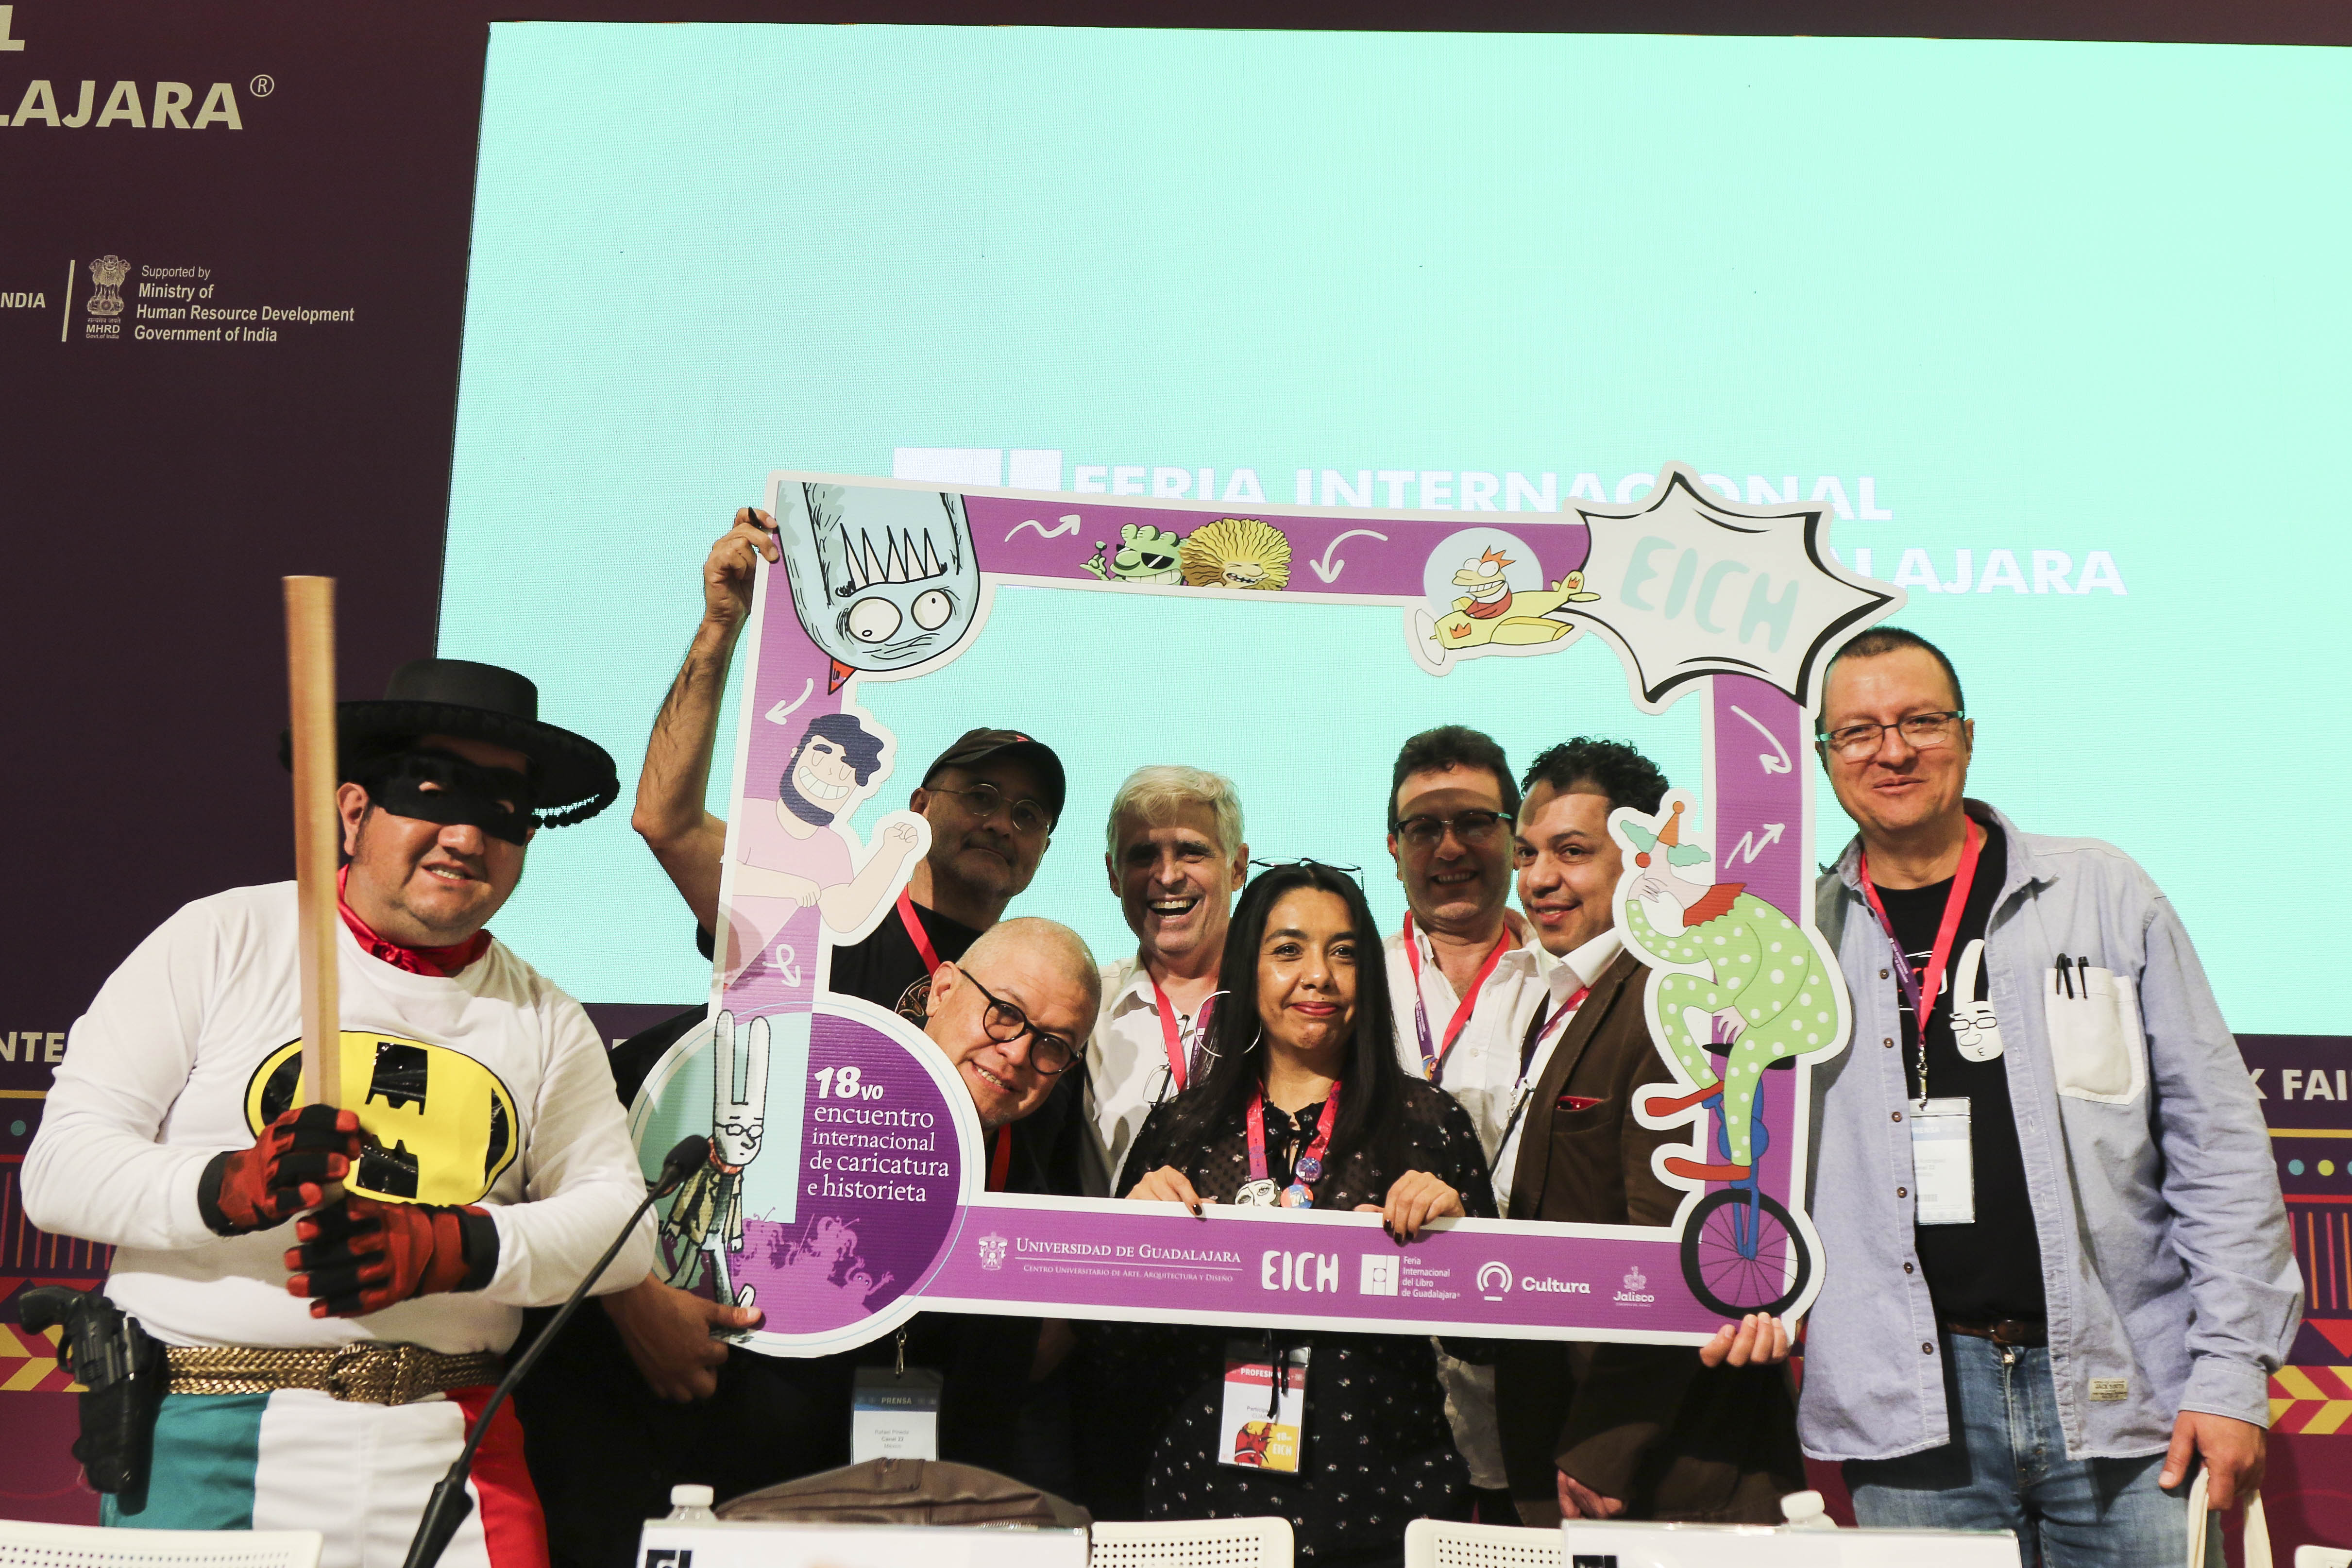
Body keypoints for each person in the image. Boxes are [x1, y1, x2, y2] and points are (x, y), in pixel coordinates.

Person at [24, 658, 653, 1568]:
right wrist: (224, 1187)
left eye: (501, 810)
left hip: (457, 1446)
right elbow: (60, 1172)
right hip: (211, 1433)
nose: (465, 835)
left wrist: (451, 1246)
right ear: (354, 812)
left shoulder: (547, 1018)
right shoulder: (222, 939)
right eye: (433, 793)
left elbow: (620, 1230)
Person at [1804, 626, 2298, 1561]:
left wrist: (2230, 1373)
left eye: (1920, 720)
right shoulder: (1799, 934)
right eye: (1858, 731)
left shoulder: (2099, 893)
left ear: (1968, 733)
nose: (1892, 750)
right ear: (1825, 756)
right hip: (1908, 1406)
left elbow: (2218, 1143)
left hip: (2127, 1388)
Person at [517, 915, 1101, 1568]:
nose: (1018, 1052)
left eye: (1054, 1044)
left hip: (839, 1526)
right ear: (942, 990)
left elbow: (987, 1408)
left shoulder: (1023, 1185)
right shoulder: (805, 1049)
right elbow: (553, 1160)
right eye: (1004, 1014)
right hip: (653, 1483)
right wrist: (632, 1295)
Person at [1111, 862, 1493, 1568]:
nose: (1318, 975)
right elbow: (1113, 1348)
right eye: (1287, 949)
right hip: (1200, 1510)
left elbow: (1487, 1342)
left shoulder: (1427, 1123)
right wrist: (1129, 1244)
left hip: (1383, 1512)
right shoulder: (1179, 1129)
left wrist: (1455, 1239)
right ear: (1245, 967)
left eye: (1343, 952)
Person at [1491, 739, 1801, 1527]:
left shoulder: (1674, 998)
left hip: (1668, 1471)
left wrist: (1605, 1450)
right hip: (1570, 1440)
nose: (1537, 878)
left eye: (1570, 851)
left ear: (1640, 861)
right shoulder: (1557, 993)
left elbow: (1675, 1247)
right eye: (1525, 852)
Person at [633, 507, 1070, 1022]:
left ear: (1044, 848)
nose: (1000, 823)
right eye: (980, 796)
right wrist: (720, 626)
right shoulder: (817, 909)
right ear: (920, 806)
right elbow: (668, 824)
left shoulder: (1030, 1004)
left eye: (1027, 814)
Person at [1380, 725, 1551, 1512]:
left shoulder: (1571, 979)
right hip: (1385, 1385)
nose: (1448, 846)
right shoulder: (1348, 984)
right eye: (1424, 827)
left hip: (1541, 1368)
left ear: (1514, 837)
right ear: (1393, 847)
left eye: (1474, 821)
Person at [1085, 766, 1251, 1191]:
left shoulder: (1290, 1002)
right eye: (1143, 856)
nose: (1167, 875)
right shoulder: (1084, 1007)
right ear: (1113, 874)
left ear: (1237, 867)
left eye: (1191, 852)